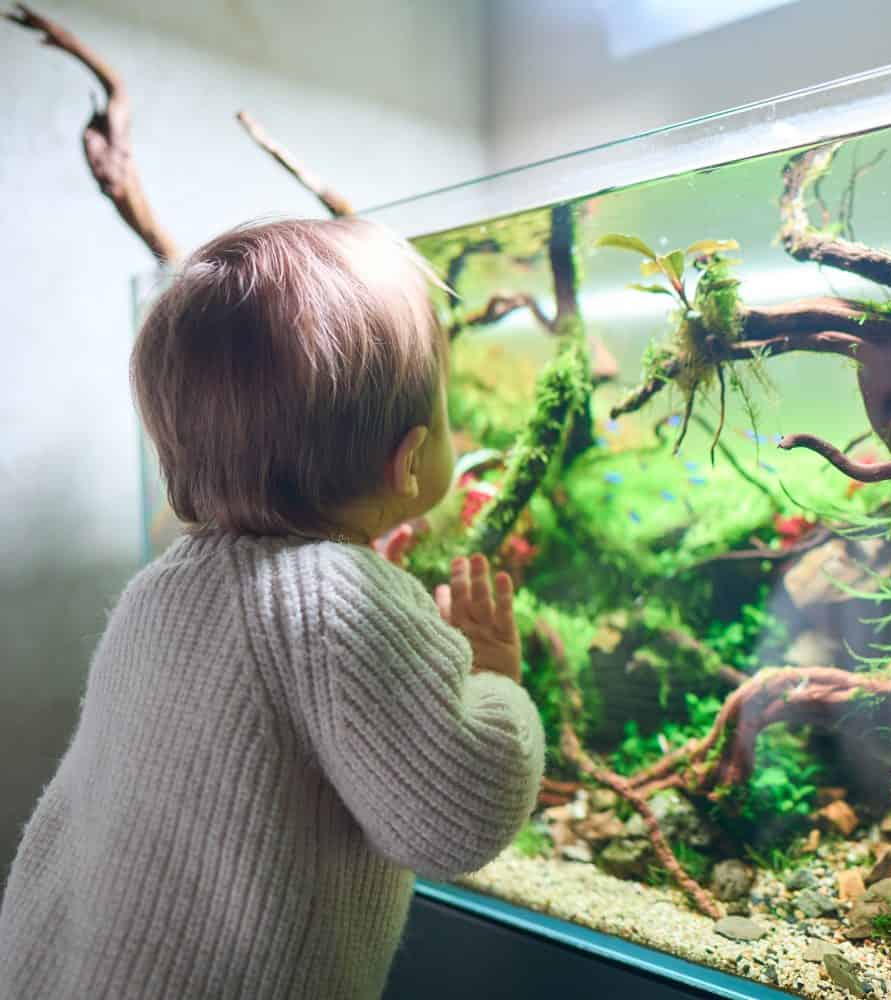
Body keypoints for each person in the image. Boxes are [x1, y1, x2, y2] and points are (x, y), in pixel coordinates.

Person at [0, 218, 545, 998]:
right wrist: (494, 682)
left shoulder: (158, 590)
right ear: (410, 458)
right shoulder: (342, 600)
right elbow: (455, 817)